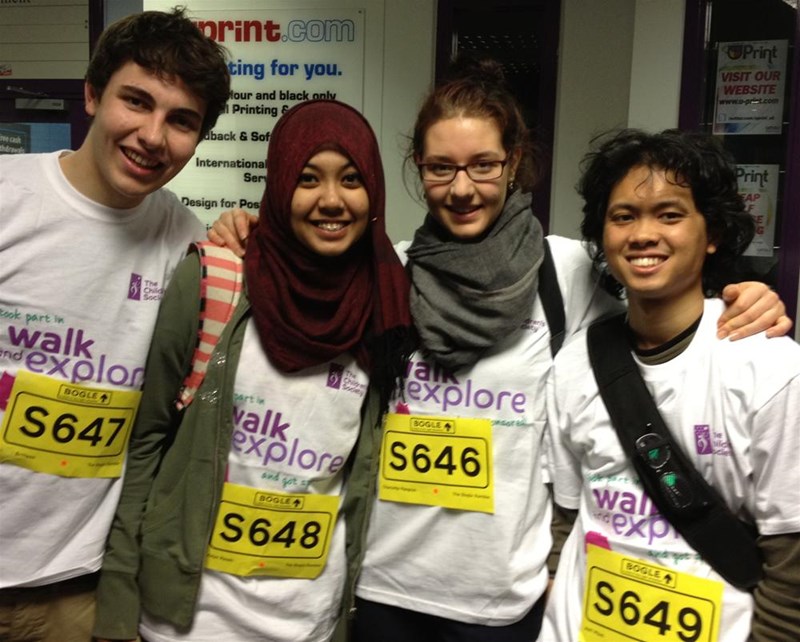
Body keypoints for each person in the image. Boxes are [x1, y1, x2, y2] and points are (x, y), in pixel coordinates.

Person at [210, 59, 791, 641]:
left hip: (503, 603)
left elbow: (656, 291)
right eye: (441, 168)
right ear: (419, 169)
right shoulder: (390, 273)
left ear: (513, 163)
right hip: (382, 589)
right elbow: (304, 275)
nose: (462, 188)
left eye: (484, 165)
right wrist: (243, 234)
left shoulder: (566, 271)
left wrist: (740, 296)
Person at [92, 99, 414, 642]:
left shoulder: (386, 303)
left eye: (351, 179)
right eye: (308, 178)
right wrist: (118, 601)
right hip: (191, 620)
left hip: (309, 619)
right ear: (281, 182)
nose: (331, 200)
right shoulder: (214, 278)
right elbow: (145, 442)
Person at [0, 9, 229, 642]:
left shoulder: (187, 243)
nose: (153, 136)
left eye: (181, 120)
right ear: (93, 94)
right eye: (137, 101)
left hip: (75, 586)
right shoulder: (9, 197)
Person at [542, 128, 800, 641]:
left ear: (712, 232)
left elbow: (791, 564)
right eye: (623, 216)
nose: (643, 234)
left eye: (669, 214)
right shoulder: (573, 365)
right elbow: (565, 521)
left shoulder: (770, 370)